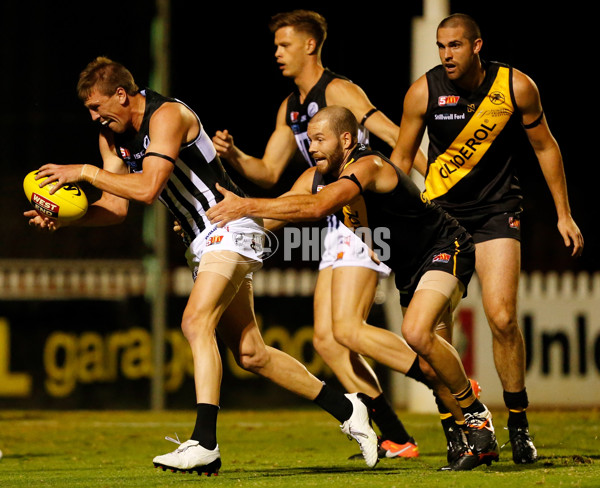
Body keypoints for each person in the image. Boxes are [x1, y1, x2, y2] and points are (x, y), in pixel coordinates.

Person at [23, 57, 382, 474]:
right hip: (202, 240)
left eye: (96, 106)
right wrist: (68, 218)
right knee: (251, 353)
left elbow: (148, 187)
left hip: (229, 223)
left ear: (121, 95)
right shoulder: (112, 136)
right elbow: (118, 208)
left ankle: (204, 442)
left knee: (195, 322)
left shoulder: (167, 115)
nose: (94, 117)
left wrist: (84, 172)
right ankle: (349, 408)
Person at [212, 9, 454, 460]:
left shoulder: (337, 90)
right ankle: (397, 436)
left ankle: (443, 378)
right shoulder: (291, 107)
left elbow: (391, 133)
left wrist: (432, 181)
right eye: (276, 45)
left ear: (309, 45)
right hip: (333, 221)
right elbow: (267, 172)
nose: (277, 53)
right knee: (326, 339)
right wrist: (234, 156)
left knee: (347, 328)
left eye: (284, 44)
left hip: (364, 214)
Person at [206, 105, 500, 471]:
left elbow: (318, 208)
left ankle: (478, 418)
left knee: (415, 332)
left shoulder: (369, 166)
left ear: (346, 139)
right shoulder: (317, 176)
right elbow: (274, 215)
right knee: (430, 360)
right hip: (409, 270)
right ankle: (467, 439)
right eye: (309, 139)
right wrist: (214, 233)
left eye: (319, 139)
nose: (311, 147)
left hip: (445, 248)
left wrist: (243, 204)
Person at [389, 13, 584, 465]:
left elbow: (545, 146)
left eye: (455, 45)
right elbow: (399, 161)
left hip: (497, 214)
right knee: (432, 331)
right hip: (442, 218)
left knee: (501, 318)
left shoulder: (515, 87)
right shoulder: (424, 92)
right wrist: (398, 220)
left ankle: (519, 425)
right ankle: (460, 431)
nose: (446, 55)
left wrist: (563, 214)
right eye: (441, 46)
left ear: (477, 46)